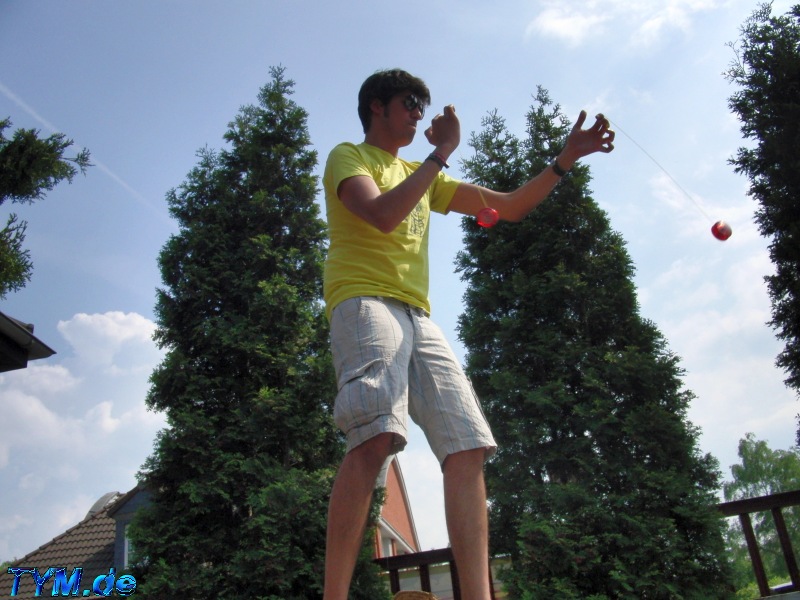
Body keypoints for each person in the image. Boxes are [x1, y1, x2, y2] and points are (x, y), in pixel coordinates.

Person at [322, 69, 614, 600]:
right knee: (377, 433)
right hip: (365, 301)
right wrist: (441, 155)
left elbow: (512, 207)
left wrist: (565, 158)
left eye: (422, 105)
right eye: (409, 103)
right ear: (375, 107)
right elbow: (383, 215)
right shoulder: (350, 157)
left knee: (468, 446)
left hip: (418, 314)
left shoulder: (424, 175)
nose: (418, 113)